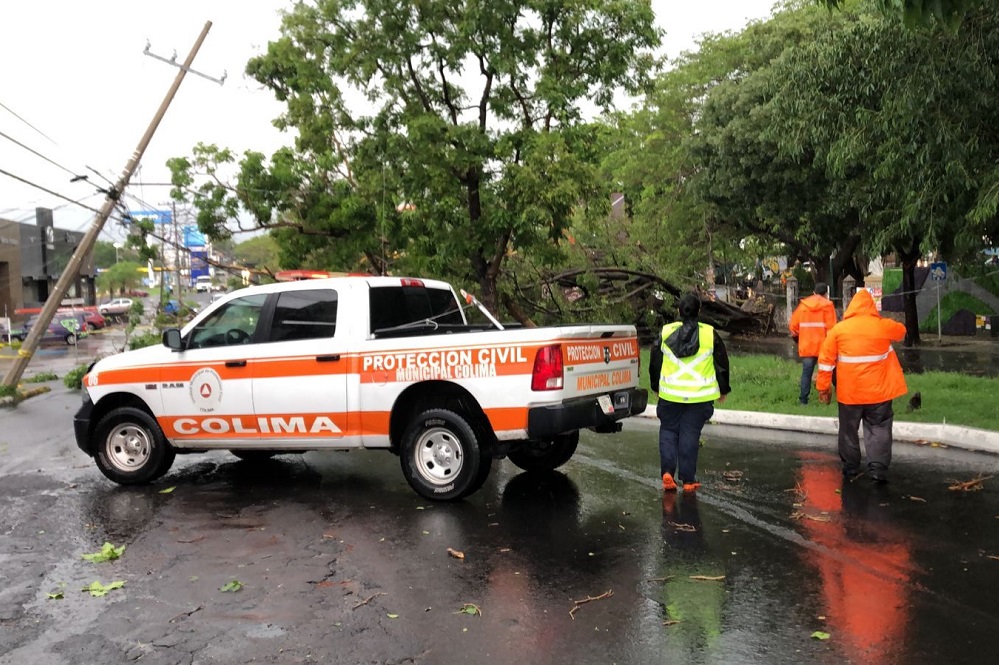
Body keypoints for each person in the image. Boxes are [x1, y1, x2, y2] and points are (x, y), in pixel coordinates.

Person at [816, 289, 907, 483]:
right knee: (879, 429)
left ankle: (851, 468)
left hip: (850, 394)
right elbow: (901, 331)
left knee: (848, 431)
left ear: (851, 307)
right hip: (879, 394)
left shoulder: (839, 330)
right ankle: (877, 470)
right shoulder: (882, 326)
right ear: (871, 307)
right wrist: (881, 321)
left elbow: (825, 362)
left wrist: (823, 388)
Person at [649, 293, 731, 492]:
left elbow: (655, 362)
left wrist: (656, 387)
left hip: (670, 395)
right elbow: (721, 364)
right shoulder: (709, 334)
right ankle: (687, 481)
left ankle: (667, 472)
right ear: (699, 311)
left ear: (679, 311)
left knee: (668, 431)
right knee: (690, 435)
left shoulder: (666, 332)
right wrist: (723, 390)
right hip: (699, 397)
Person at [788, 282, 837, 405]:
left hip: (807, 346)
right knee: (828, 372)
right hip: (824, 347)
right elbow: (832, 329)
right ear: (826, 294)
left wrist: (798, 339)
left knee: (807, 374)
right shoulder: (828, 306)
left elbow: (793, 327)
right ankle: (828, 397)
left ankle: (803, 401)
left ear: (814, 292)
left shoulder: (803, 306)